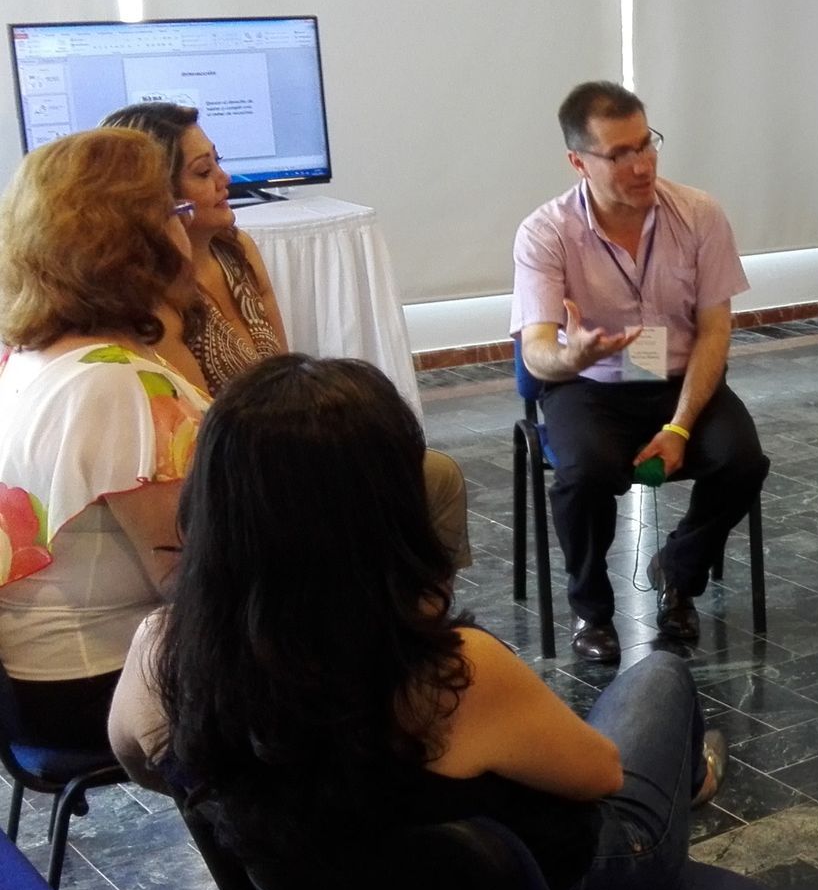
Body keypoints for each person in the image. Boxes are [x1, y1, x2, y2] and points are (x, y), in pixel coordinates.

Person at [106, 355, 735, 890]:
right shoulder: (447, 675)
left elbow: (141, 759)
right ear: (389, 506)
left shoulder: (163, 650)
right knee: (660, 680)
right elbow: (599, 777)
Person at [101, 102, 472, 570]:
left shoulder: (236, 249)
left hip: (284, 443)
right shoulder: (152, 303)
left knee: (431, 472)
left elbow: (282, 369)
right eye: (203, 171)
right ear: (158, 197)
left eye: (217, 162)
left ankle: (409, 608)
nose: (225, 179)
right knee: (416, 484)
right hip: (241, 477)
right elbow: (204, 431)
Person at [511, 81, 769, 660]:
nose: (641, 164)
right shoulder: (546, 232)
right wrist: (573, 356)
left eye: (646, 144)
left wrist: (679, 427)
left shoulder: (698, 214)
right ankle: (591, 610)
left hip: (679, 379)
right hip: (591, 384)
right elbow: (536, 352)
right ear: (578, 162)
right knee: (585, 474)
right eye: (619, 154)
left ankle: (679, 572)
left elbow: (715, 330)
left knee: (741, 461)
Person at [0, 128, 209, 748]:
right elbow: (190, 576)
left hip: (38, 682)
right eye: (173, 211)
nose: (185, 226)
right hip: (99, 685)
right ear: (136, 244)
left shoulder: (27, 355)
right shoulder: (122, 386)